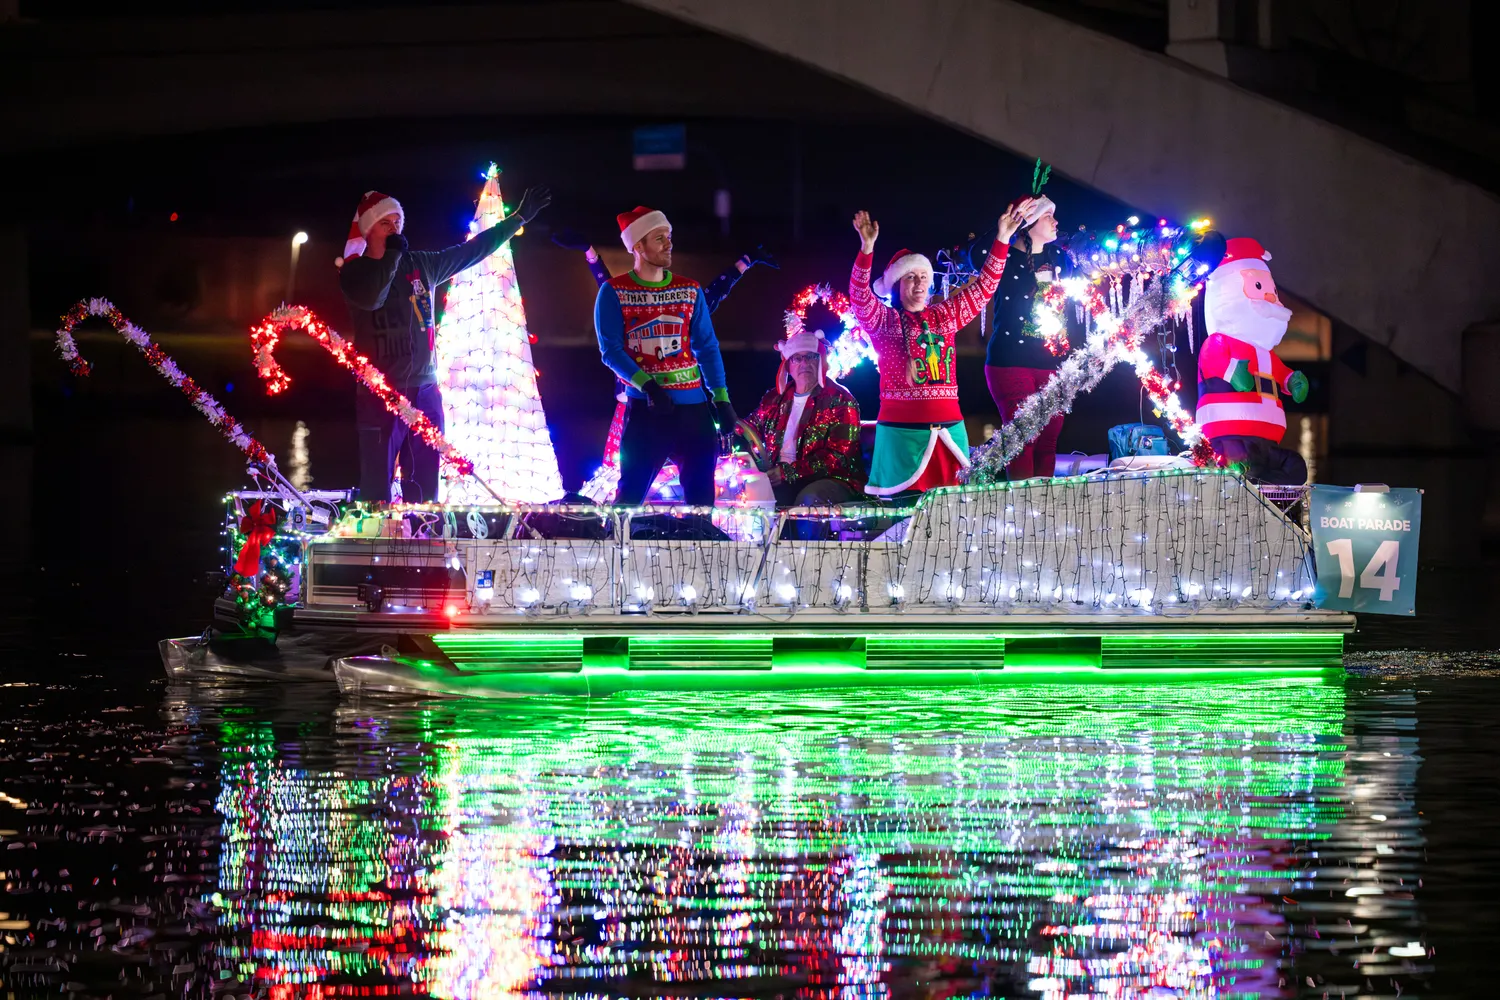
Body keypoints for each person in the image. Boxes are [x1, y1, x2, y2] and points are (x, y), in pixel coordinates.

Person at [338, 185, 550, 504]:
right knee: (376, 488)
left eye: (398, 222)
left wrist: (518, 218)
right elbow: (373, 298)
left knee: (424, 486)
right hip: (380, 396)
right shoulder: (354, 273)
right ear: (368, 230)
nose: (395, 228)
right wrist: (393, 255)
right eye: (386, 224)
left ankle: (423, 543)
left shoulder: (423, 265)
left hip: (425, 392)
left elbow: (472, 251)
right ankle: (376, 549)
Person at [849, 199, 1032, 497]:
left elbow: (984, 286)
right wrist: (867, 249)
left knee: (952, 520)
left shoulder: (943, 316)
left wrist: (1002, 239)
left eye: (923, 276)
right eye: (910, 277)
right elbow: (859, 295)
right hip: (902, 437)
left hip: (950, 432)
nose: (919, 283)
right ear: (896, 284)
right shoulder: (884, 320)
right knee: (903, 518)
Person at [594, 206, 736, 506]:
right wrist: (649, 386)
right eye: (659, 238)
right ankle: (618, 551)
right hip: (648, 411)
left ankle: (701, 553)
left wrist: (721, 398)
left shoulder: (689, 289)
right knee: (629, 498)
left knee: (701, 502)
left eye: (669, 236)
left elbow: (707, 347)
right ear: (637, 246)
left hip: (694, 410)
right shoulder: (614, 291)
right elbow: (611, 351)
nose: (668, 244)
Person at [984, 196, 1066, 479]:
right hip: (1010, 360)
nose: (1055, 222)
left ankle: (1046, 511)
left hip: (1050, 361)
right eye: (1048, 217)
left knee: (1049, 439)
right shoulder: (1001, 257)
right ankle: (1022, 514)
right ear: (1029, 222)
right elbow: (974, 253)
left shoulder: (1060, 260)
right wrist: (1005, 230)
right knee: (1023, 438)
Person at [747, 329, 865, 507]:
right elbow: (749, 429)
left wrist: (788, 473)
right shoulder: (774, 399)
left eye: (811, 357)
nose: (804, 363)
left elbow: (838, 457)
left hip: (833, 479)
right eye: (797, 358)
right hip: (778, 477)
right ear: (788, 365)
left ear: (822, 361)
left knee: (809, 500)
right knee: (747, 496)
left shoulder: (841, 400)